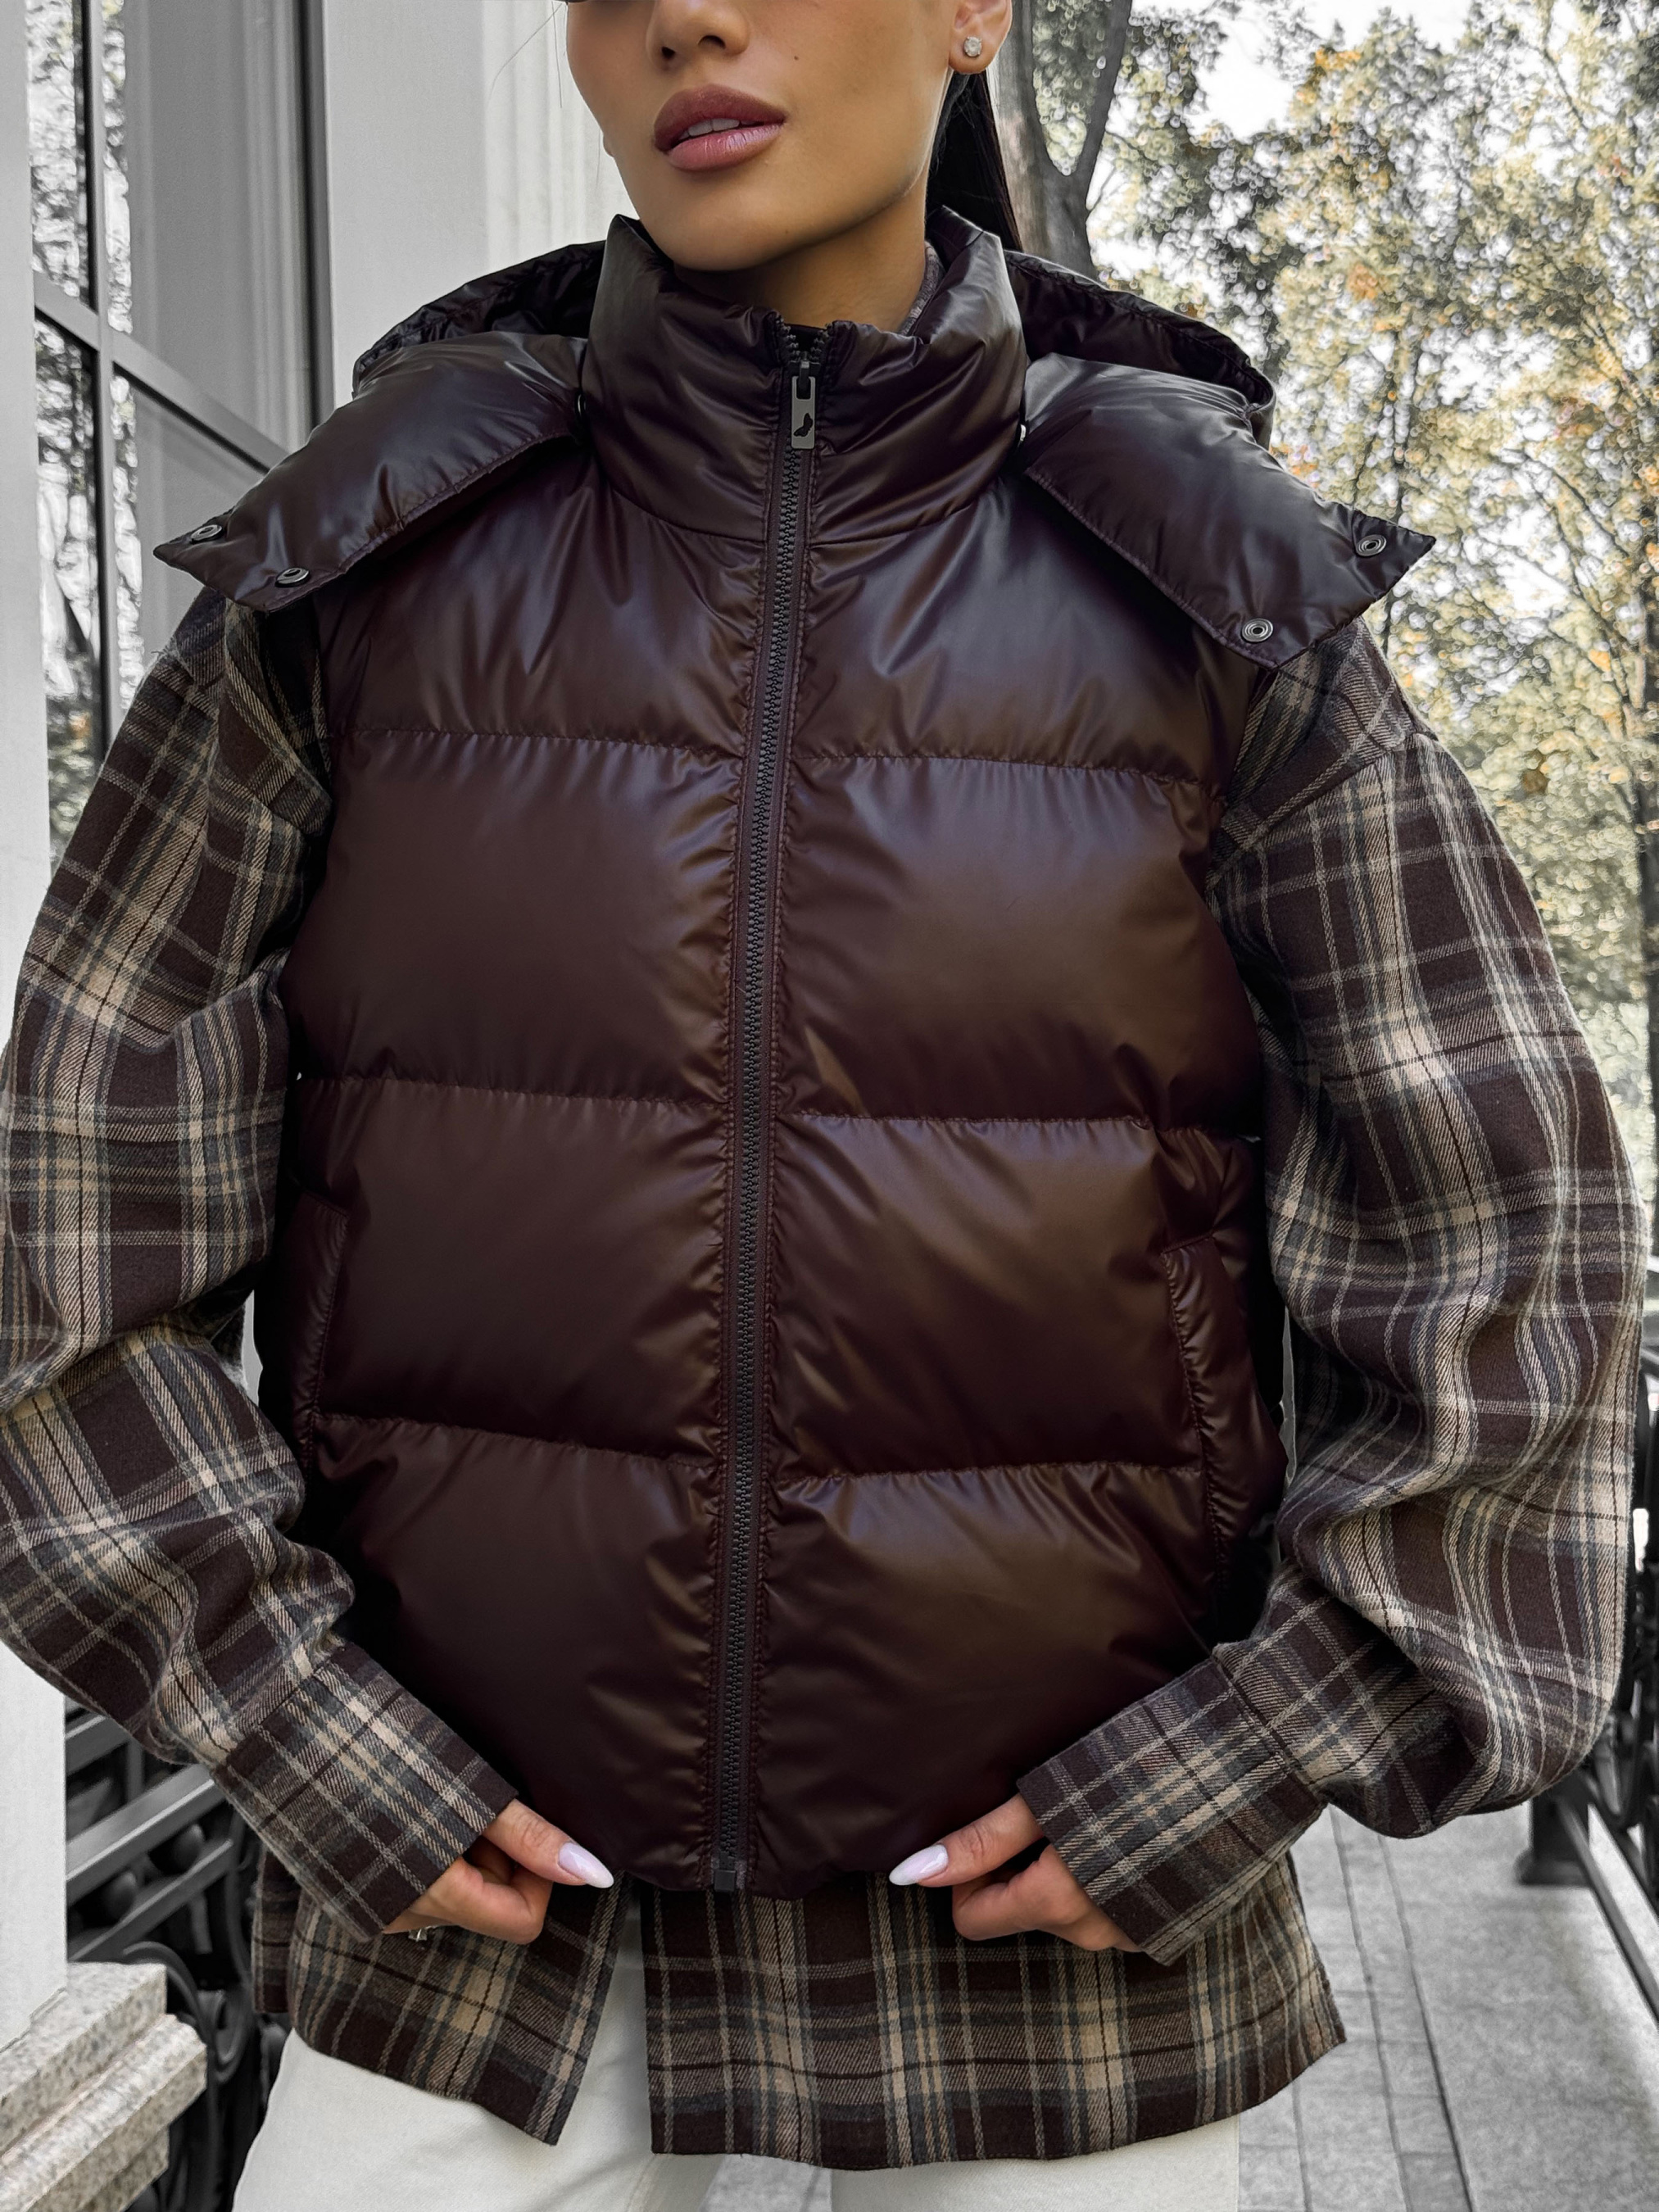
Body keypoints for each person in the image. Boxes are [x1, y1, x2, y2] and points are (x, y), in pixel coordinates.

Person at [0, 1, 1643, 2206]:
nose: (686, 14)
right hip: (477, 1927)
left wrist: (1241, 1758)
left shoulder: (1218, 596)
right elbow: (61, 1237)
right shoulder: (358, 574)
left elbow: (1512, 1241)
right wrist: (309, 1733)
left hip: (1063, 1921)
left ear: (971, 10)